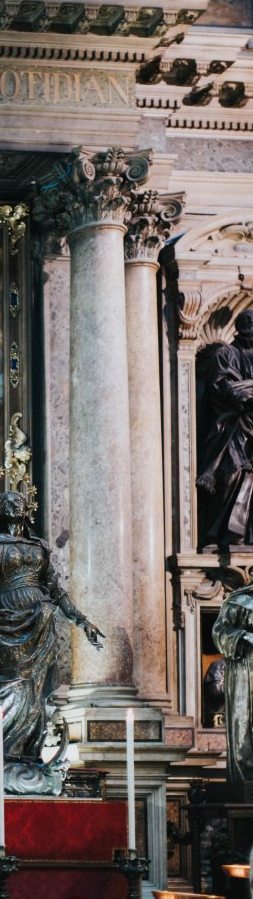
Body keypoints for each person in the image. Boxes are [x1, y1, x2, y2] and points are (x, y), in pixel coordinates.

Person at [0, 491, 104, 777]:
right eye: (6, 501)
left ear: (26, 509)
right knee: (11, 680)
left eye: (18, 501)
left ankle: (23, 752)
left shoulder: (38, 546)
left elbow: (55, 590)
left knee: (33, 686)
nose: (14, 504)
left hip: (40, 622)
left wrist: (82, 620)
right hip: (2, 618)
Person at [197, 309, 253, 549]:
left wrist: (246, 387)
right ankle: (218, 535)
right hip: (231, 429)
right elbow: (226, 389)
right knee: (231, 474)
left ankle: (244, 536)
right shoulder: (225, 354)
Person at [212, 584, 253, 782]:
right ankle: (246, 774)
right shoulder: (238, 601)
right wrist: (243, 636)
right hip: (245, 668)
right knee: (243, 721)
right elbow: (219, 632)